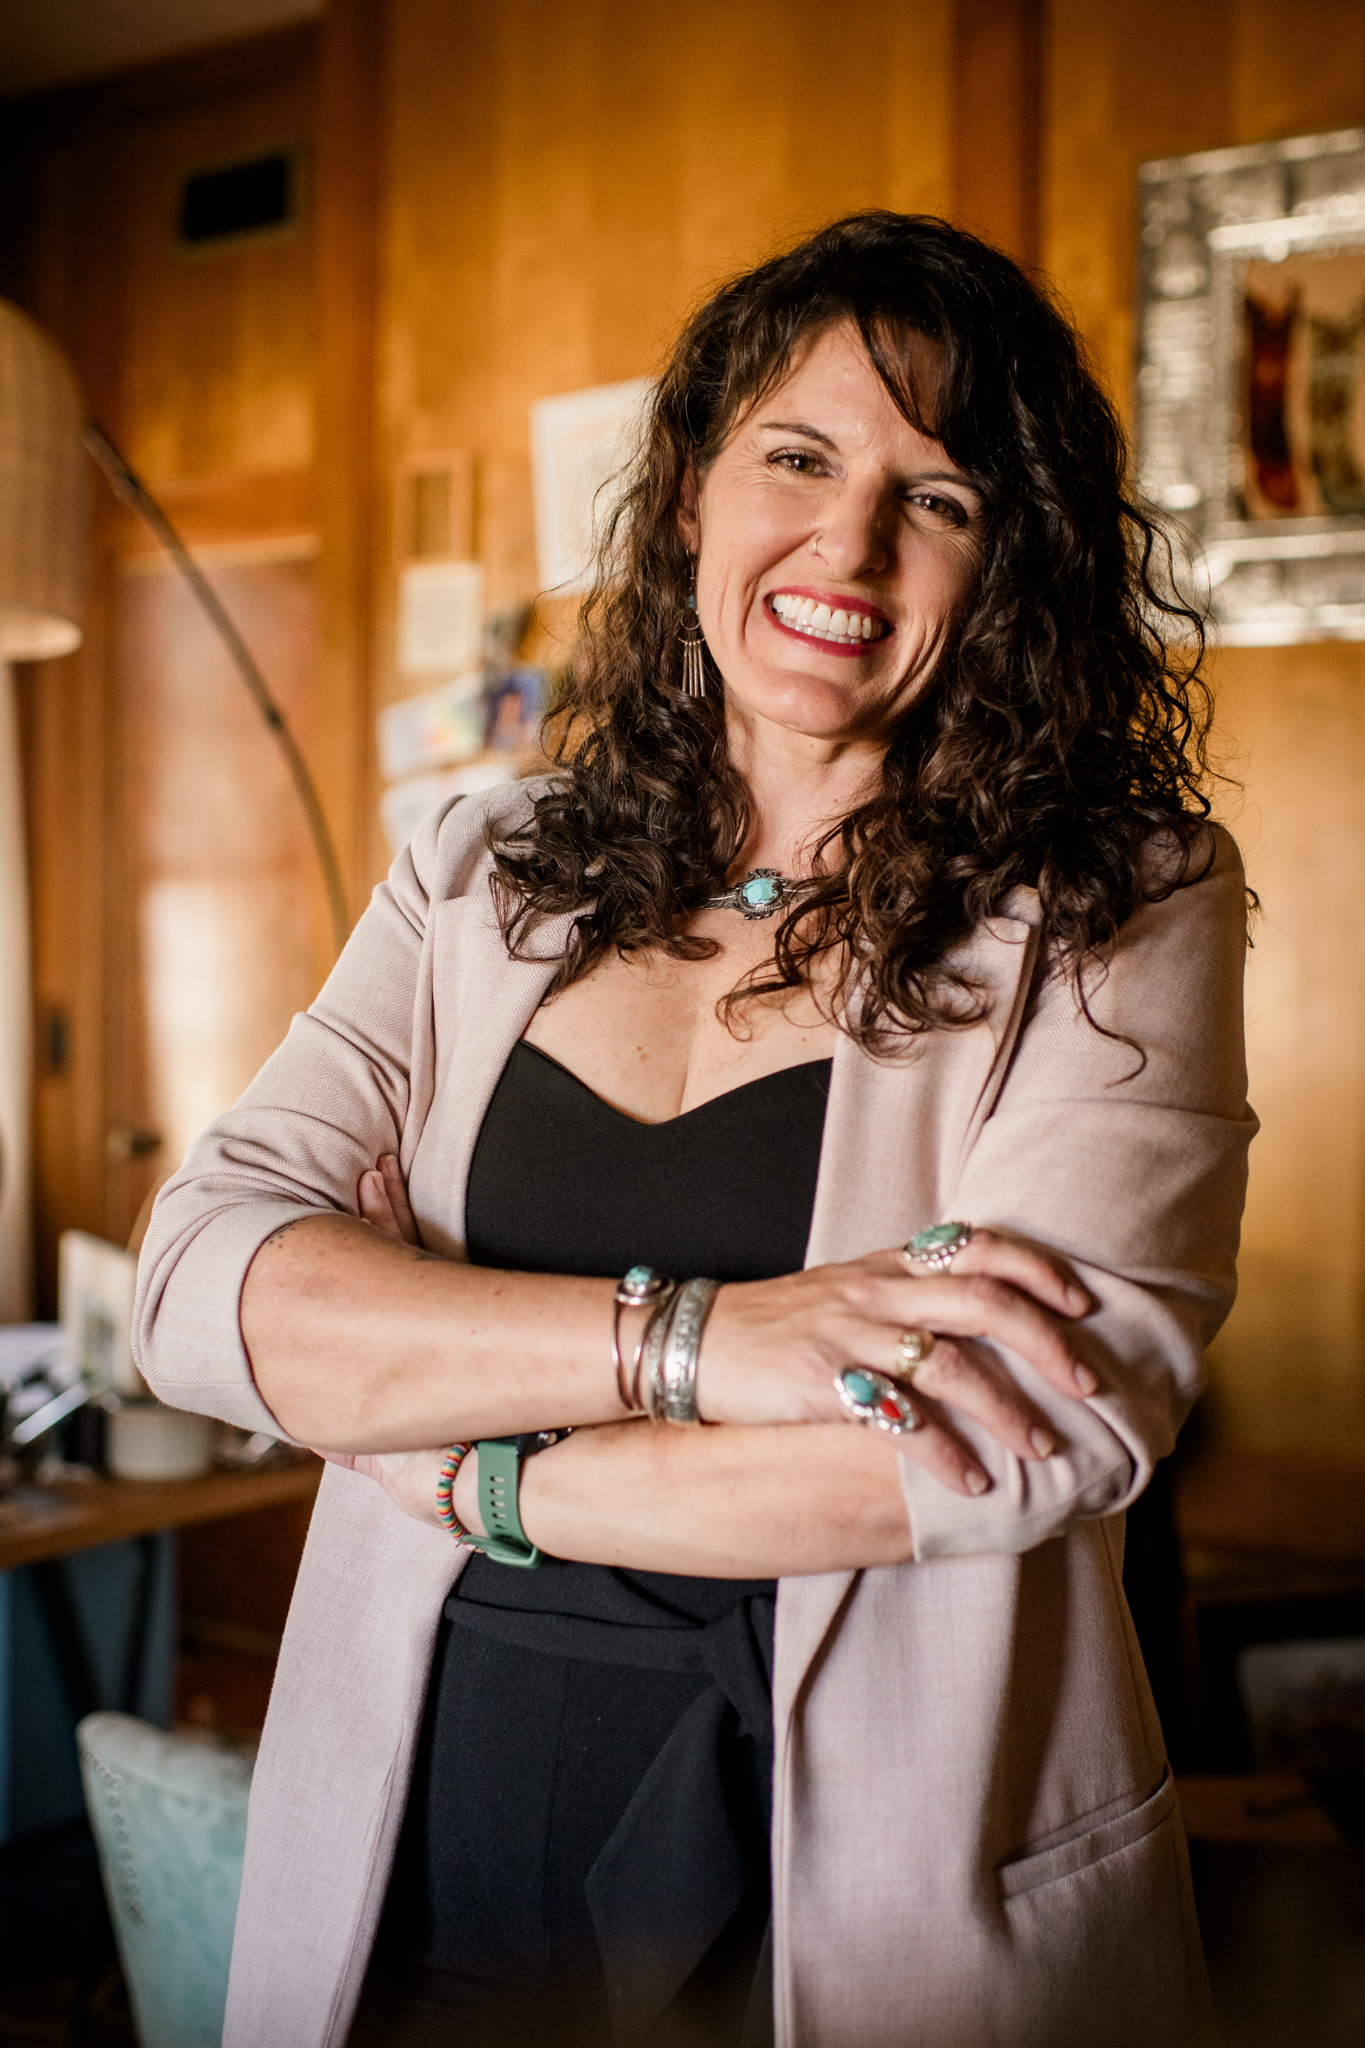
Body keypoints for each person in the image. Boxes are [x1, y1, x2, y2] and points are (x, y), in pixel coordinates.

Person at [134, 212, 1254, 2048]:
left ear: (1009, 565)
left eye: (942, 496)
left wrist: (476, 1467)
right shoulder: (475, 870)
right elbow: (204, 1292)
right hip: (425, 1815)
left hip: (880, 1873)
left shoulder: (1120, 907)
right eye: (795, 458)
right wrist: (706, 1343)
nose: (852, 543)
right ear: (686, 502)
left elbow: (1016, 1424)